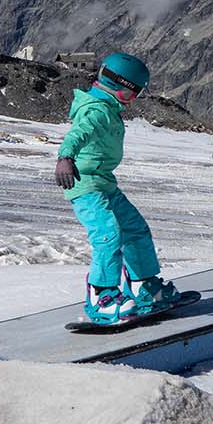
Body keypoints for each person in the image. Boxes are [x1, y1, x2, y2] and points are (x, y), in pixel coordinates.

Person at [54, 52, 183, 324]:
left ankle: (143, 286)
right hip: (84, 183)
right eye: (134, 93)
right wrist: (65, 157)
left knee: (135, 228)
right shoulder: (96, 111)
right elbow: (78, 133)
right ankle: (101, 296)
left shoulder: (107, 107)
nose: (133, 99)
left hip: (104, 182)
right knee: (107, 234)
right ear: (122, 87)